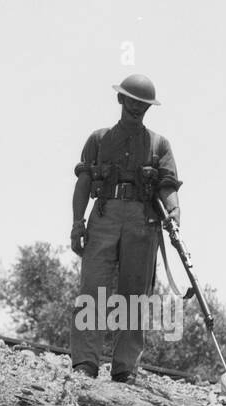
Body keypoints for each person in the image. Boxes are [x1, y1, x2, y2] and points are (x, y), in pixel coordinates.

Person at [69, 74, 182, 384]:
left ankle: (125, 368)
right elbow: (83, 183)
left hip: (143, 224)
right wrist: (78, 223)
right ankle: (85, 364)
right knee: (93, 291)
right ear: (120, 100)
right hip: (104, 216)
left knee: (134, 296)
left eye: (143, 105)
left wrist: (174, 213)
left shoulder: (159, 145)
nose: (136, 108)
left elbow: (168, 186)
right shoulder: (98, 139)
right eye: (132, 101)